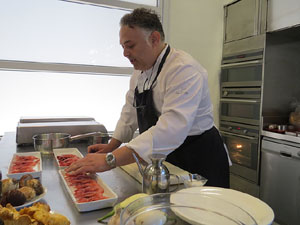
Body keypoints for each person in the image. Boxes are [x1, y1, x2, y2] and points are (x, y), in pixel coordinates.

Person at [66, 8, 230, 188]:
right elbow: (130, 111)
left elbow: (170, 129)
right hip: (168, 155)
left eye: (130, 46)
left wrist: (110, 160)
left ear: (154, 39)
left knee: (201, 212)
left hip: (198, 155)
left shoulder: (184, 69)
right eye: (123, 47)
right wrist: (111, 146)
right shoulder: (140, 72)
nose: (125, 53)